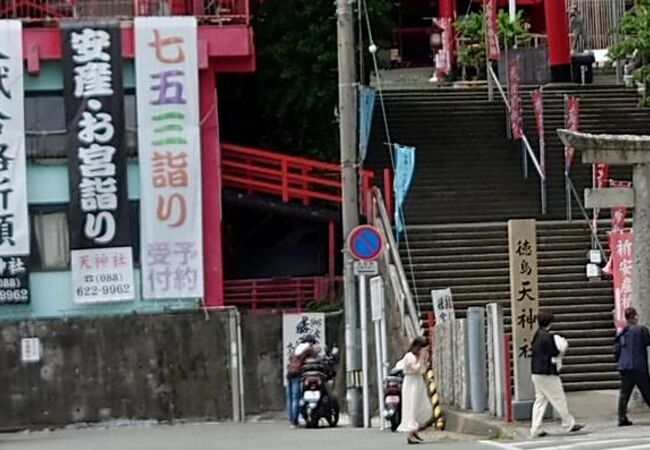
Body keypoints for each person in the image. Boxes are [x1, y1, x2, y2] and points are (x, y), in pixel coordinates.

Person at [530, 311, 584, 437]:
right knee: (558, 398)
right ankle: (568, 423)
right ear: (550, 322)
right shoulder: (547, 337)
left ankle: (535, 428)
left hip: (536, 372)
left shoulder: (537, 335)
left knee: (540, 400)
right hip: (547, 372)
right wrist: (563, 349)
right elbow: (555, 352)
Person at [615, 307, 650, 426]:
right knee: (647, 391)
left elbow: (617, 350)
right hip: (638, 365)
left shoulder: (622, 332)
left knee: (624, 393)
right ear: (635, 317)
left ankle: (621, 417)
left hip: (624, 366)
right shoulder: (641, 330)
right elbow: (647, 342)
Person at [396, 336, 432, 444]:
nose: (426, 351)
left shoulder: (421, 357)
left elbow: (423, 370)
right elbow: (415, 369)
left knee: (424, 407)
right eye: (425, 349)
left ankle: (414, 430)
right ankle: (411, 433)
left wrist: (425, 359)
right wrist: (421, 358)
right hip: (411, 383)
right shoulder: (410, 356)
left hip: (418, 382)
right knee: (411, 407)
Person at [286, 334, 319, 427]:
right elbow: (315, 358)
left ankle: (291, 418)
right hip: (297, 373)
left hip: (290, 373)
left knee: (290, 397)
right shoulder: (308, 349)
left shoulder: (297, 348)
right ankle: (295, 420)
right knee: (297, 397)